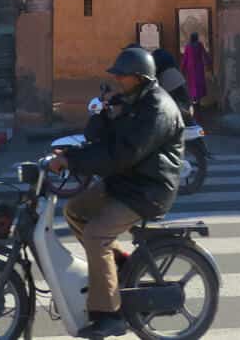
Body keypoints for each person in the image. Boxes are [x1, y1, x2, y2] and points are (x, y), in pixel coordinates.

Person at [50, 47, 184, 339]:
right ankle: (120, 264)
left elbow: (121, 154)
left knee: (96, 234)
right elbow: (97, 139)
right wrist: (106, 111)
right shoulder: (134, 102)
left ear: (139, 77)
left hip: (148, 189)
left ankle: (110, 316)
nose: (118, 80)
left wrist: (72, 162)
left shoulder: (156, 109)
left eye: (122, 76)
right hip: (128, 182)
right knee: (74, 210)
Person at [180, 32, 213, 105]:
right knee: (199, 82)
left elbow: (185, 58)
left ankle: (194, 99)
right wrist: (209, 62)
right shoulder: (199, 45)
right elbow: (204, 54)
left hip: (190, 67)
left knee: (192, 83)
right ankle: (198, 99)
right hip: (199, 66)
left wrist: (182, 68)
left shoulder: (188, 46)